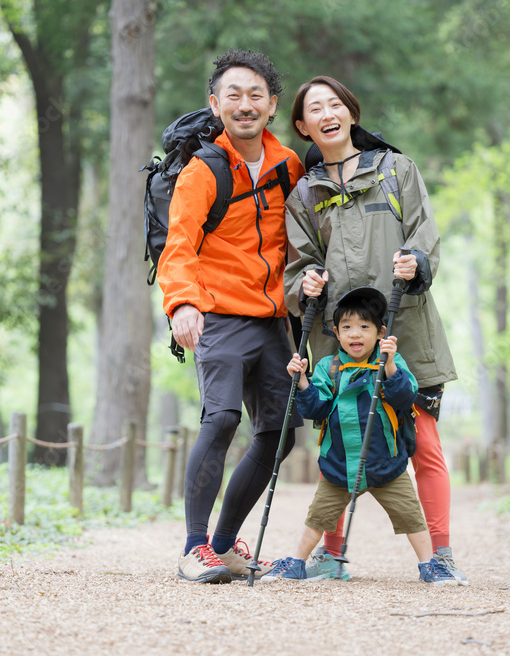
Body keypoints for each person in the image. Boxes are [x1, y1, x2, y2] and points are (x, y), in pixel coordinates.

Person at [283, 76, 467, 583]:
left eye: (335, 103)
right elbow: (297, 267)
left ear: (351, 112)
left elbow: (424, 235)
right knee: (339, 443)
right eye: (314, 108)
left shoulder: (397, 170)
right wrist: (308, 282)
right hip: (338, 342)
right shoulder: (304, 192)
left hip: (404, 328)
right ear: (303, 126)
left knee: (424, 445)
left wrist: (416, 261)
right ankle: (331, 555)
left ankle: (441, 553)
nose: (327, 112)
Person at [157, 50, 306, 584]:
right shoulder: (203, 169)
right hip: (217, 315)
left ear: (272, 105)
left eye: (256, 95)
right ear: (215, 103)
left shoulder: (290, 165)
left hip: (272, 322)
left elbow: (304, 241)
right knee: (220, 419)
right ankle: (194, 548)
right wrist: (182, 303)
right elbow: (179, 245)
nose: (245, 105)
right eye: (234, 95)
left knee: (281, 431)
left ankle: (225, 546)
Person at [259, 288, 457, 584]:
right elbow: (317, 408)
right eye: (347, 327)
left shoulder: (390, 362)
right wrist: (301, 382)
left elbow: (405, 398)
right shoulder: (330, 367)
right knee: (318, 517)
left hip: (386, 464)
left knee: (410, 516)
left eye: (365, 327)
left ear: (380, 333)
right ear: (336, 333)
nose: (356, 334)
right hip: (340, 465)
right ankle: (298, 562)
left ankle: (430, 565)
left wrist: (389, 366)